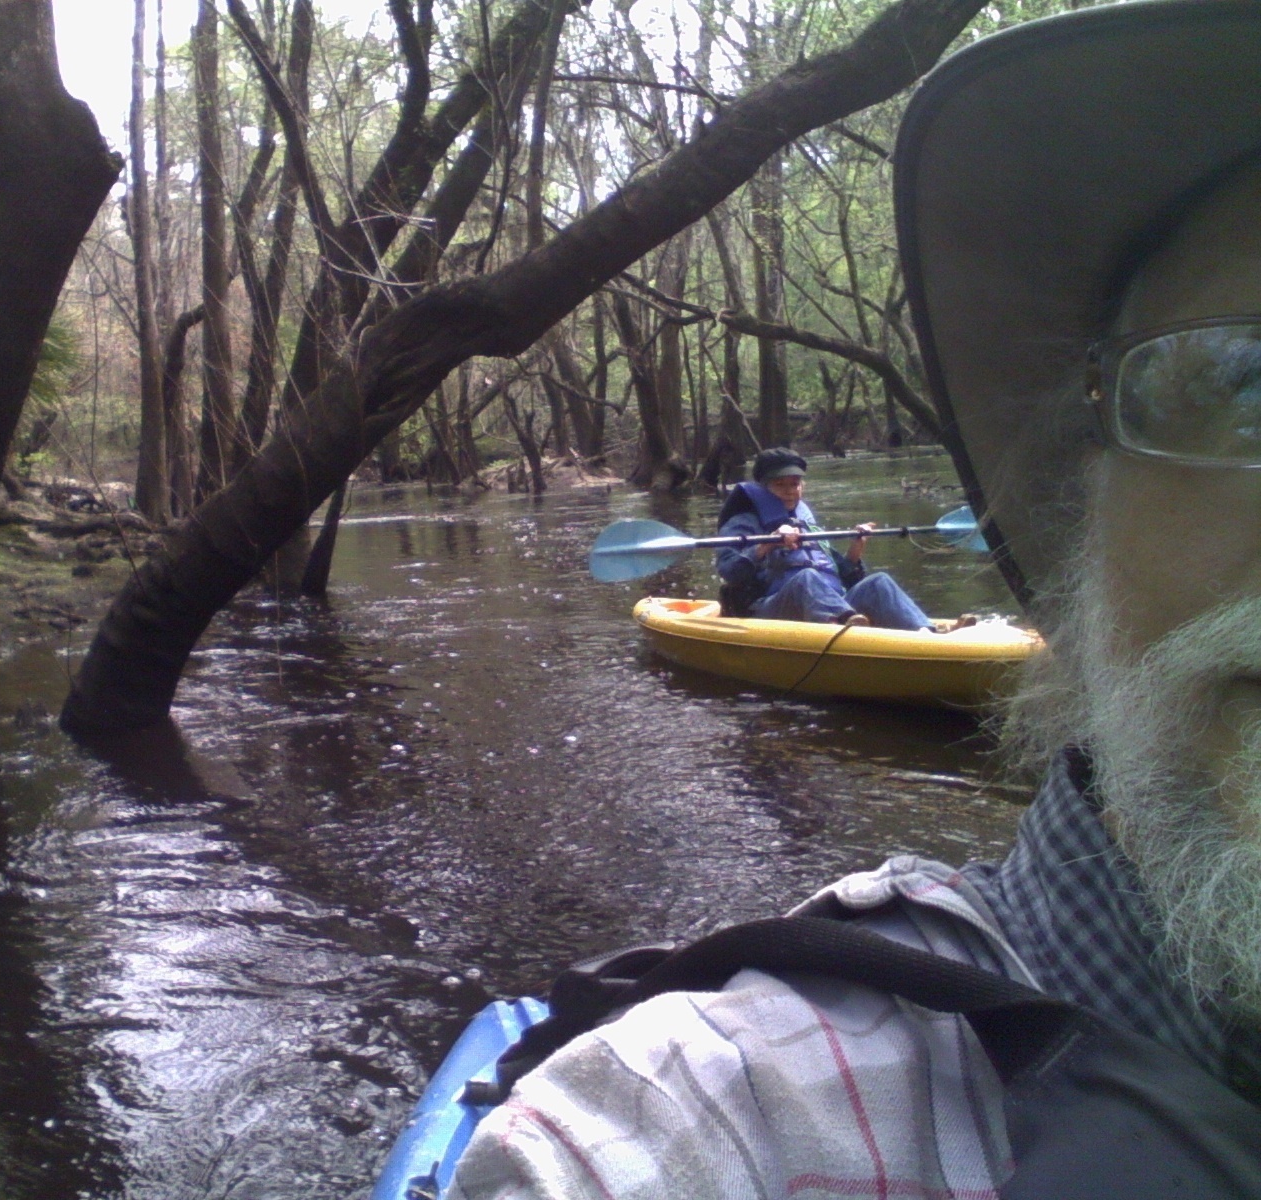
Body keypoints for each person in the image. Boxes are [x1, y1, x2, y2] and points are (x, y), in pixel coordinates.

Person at [451, 3, 1261, 1196]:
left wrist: (835, 542)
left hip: (821, 584)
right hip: (766, 593)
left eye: (795, 480)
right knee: (808, 571)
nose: (792, 485)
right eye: (1245, 387)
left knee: (863, 571)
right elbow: (750, 560)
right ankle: (864, 620)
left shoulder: (789, 508)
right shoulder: (741, 518)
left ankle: (914, 633)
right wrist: (778, 534)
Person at [714, 447, 935, 629]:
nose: (790, 491)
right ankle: (845, 628)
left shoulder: (805, 521)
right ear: (763, 488)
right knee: (806, 577)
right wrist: (767, 544)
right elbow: (729, 571)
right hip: (767, 610)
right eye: (780, 485)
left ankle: (925, 632)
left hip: (829, 606)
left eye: (794, 484)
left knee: (879, 582)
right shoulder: (743, 522)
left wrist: (856, 548)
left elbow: (844, 577)